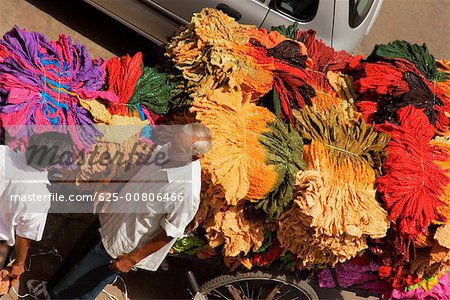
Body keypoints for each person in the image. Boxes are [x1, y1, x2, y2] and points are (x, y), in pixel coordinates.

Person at [45, 123, 212, 299]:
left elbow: (170, 232)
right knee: (72, 264)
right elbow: (141, 167)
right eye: (175, 139)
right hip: (109, 219)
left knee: (77, 288)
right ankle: (48, 293)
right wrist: (109, 190)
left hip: (121, 243)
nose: (171, 147)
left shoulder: (186, 191)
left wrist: (132, 259)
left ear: (193, 157)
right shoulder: (171, 148)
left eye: (178, 147)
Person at [0, 132, 73, 288]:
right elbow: (24, 236)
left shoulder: (3, 153)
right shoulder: (39, 196)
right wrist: (19, 264)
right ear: (55, 163)